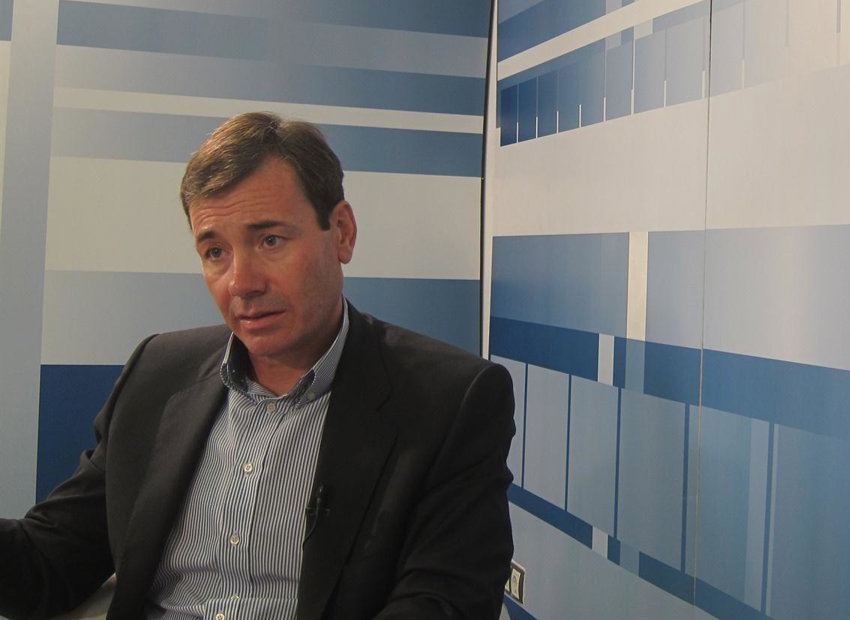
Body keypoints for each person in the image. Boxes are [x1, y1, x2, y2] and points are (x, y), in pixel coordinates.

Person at [0, 112, 516, 620]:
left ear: (341, 232)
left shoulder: (451, 400)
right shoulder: (156, 373)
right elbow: (47, 564)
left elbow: (445, 602)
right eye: (215, 251)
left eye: (270, 240)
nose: (241, 282)